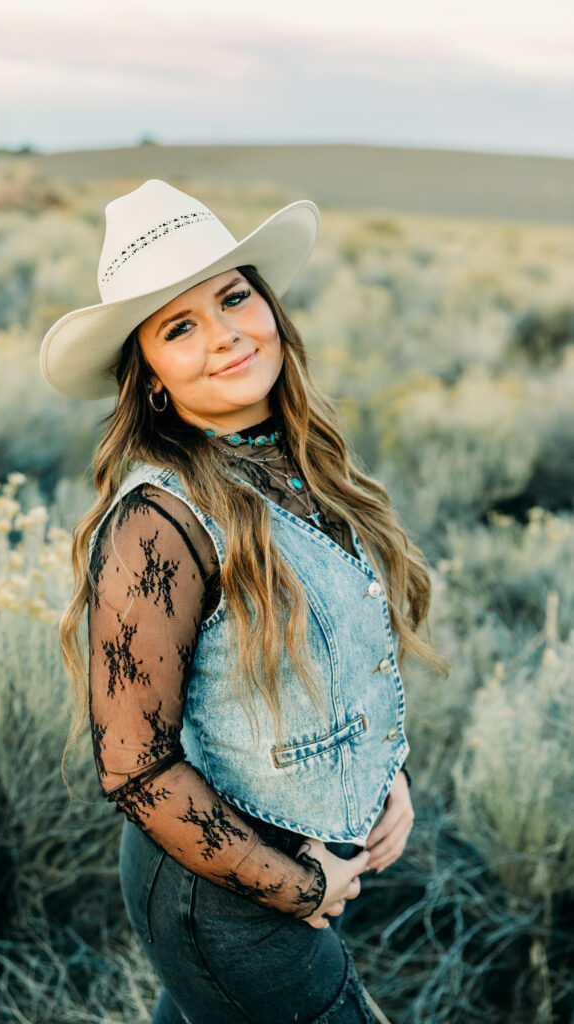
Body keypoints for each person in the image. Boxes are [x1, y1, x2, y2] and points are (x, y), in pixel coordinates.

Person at [40, 180, 448, 1024]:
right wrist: (299, 885)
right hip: (216, 891)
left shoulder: (299, 462)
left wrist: (385, 777)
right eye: (179, 327)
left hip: (261, 868)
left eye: (234, 297)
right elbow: (134, 766)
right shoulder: (158, 524)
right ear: (150, 376)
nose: (224, 335)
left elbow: (331, 661)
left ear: (268, 304)